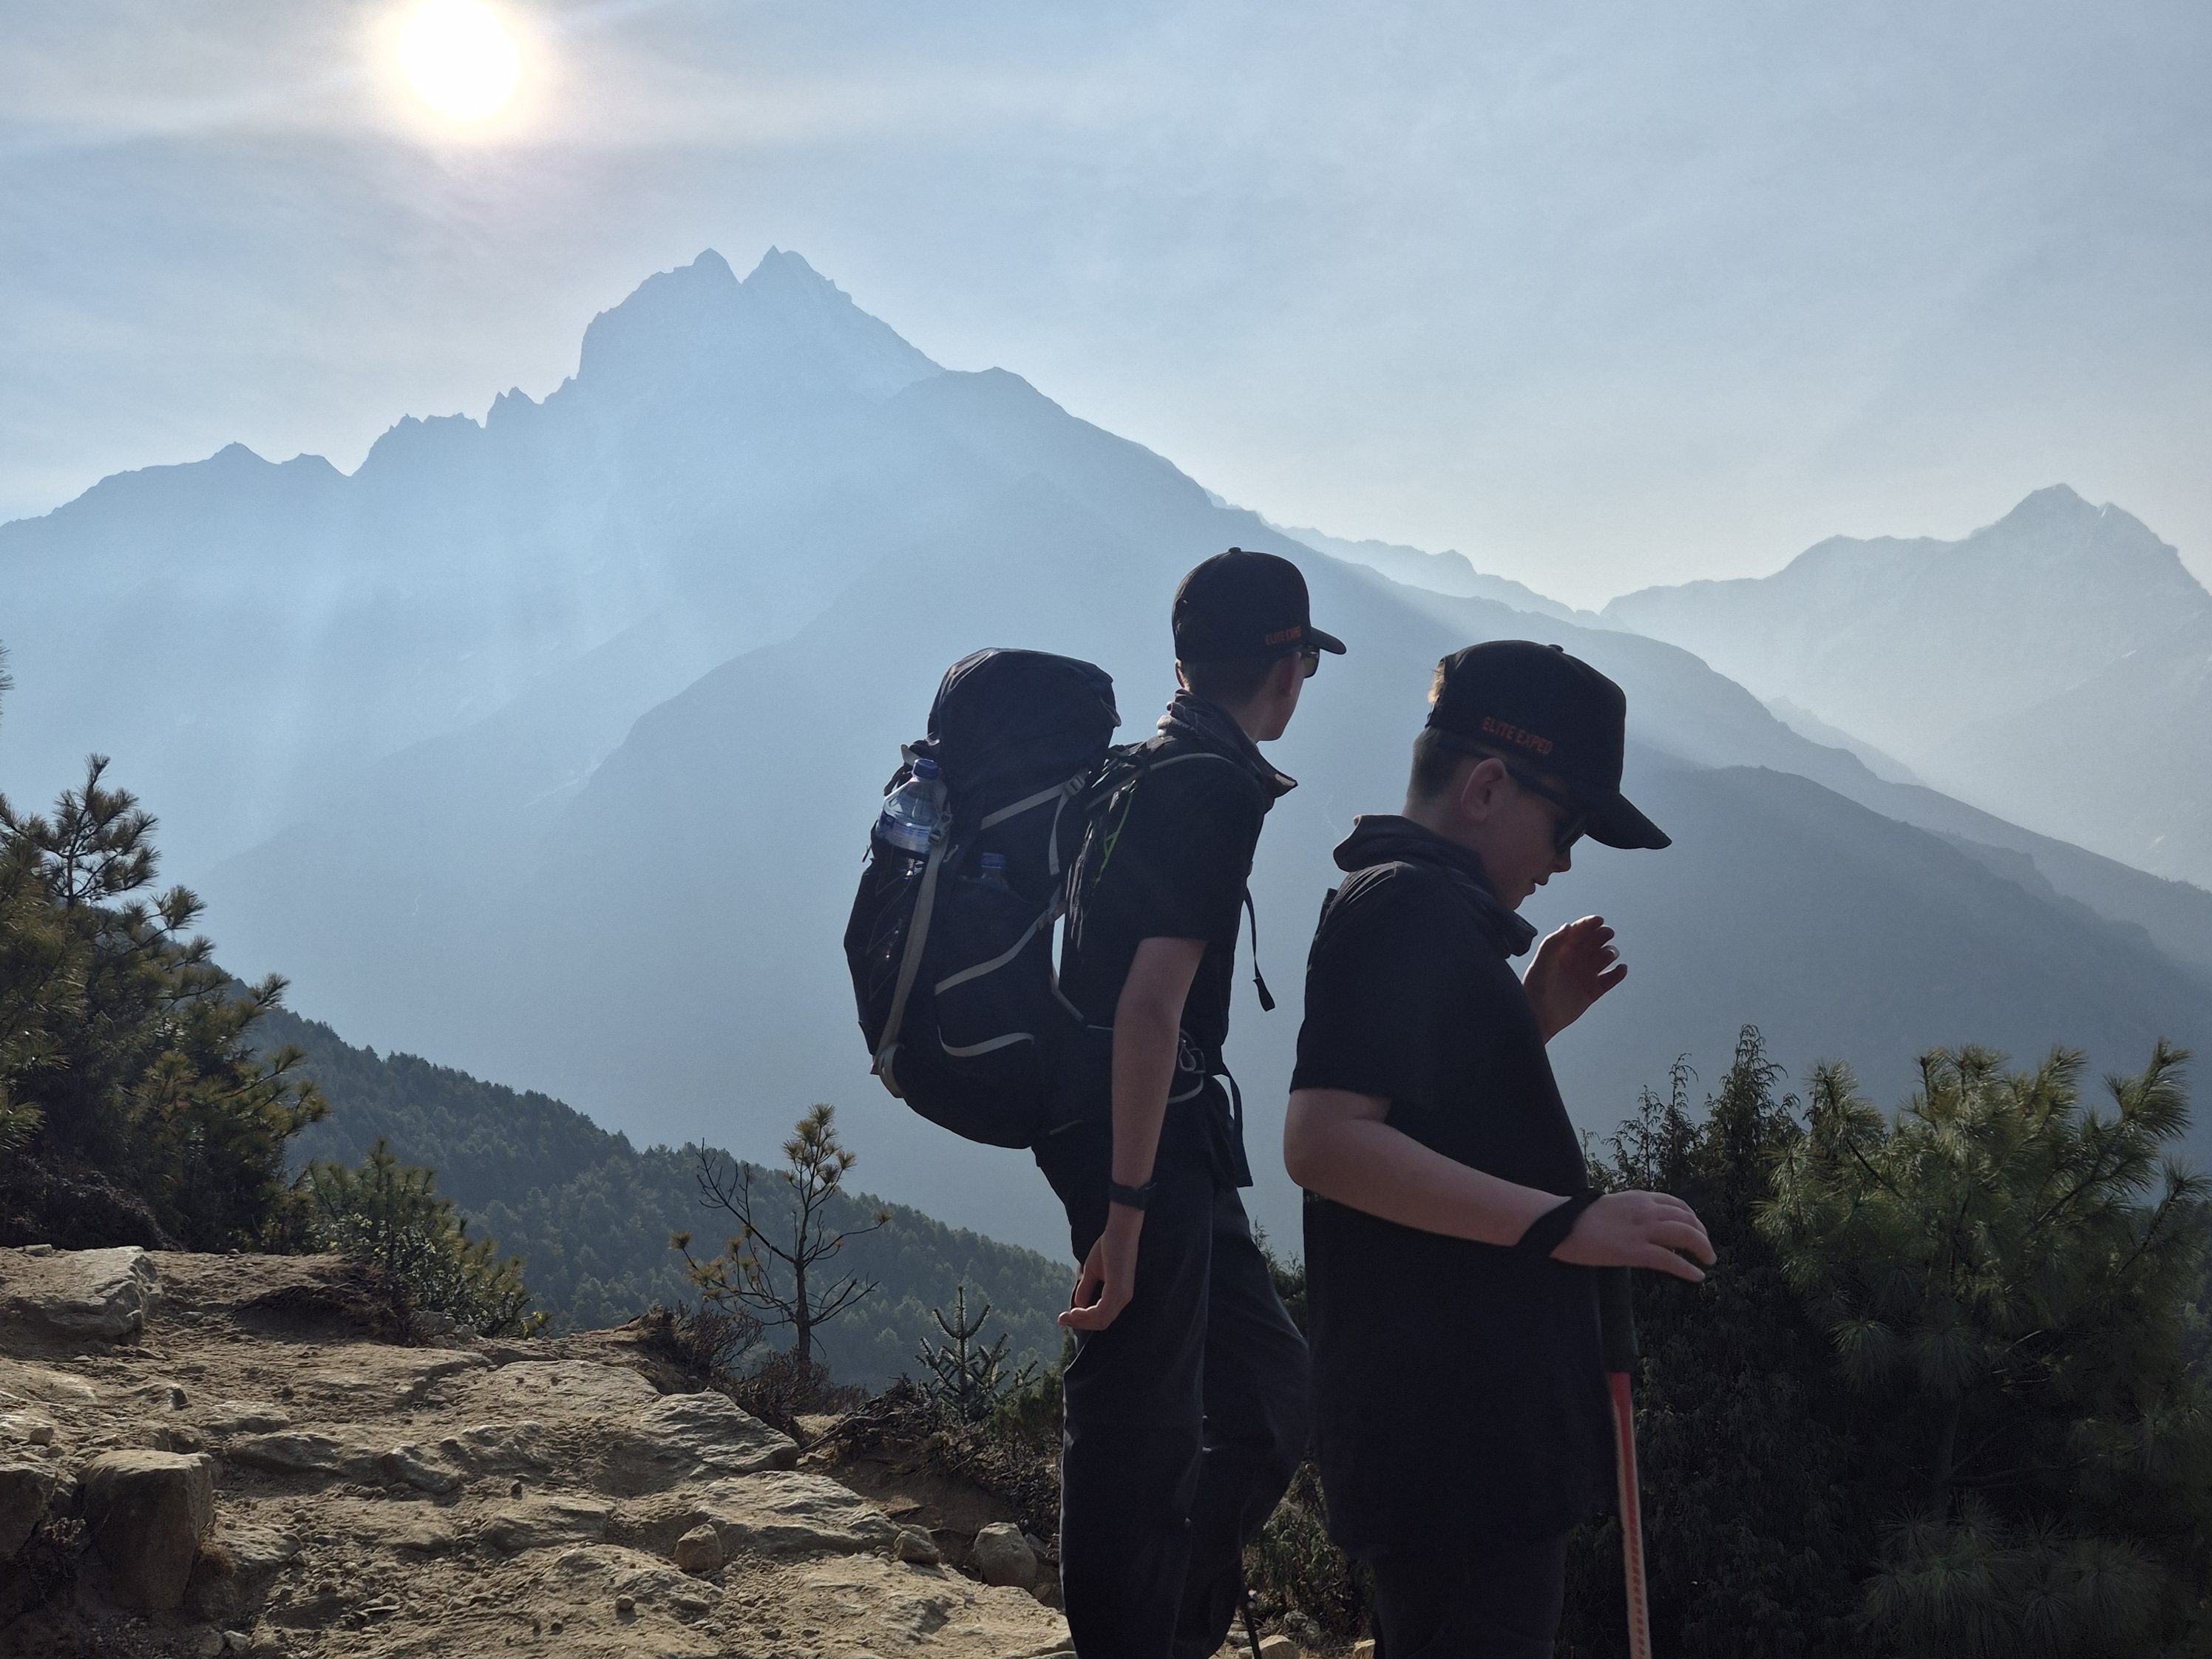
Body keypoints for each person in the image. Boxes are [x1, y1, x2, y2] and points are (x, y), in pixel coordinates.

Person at [1283, 640, 1717, 1659]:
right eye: (1564, 827)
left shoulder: (1424, 913)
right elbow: (1325, 1140)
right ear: (1487, 785)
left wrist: (1525, 1022)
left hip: (1461, 1451)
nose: (1562, 861)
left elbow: (1421, 1118)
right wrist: (1568, 1226)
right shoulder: (1406, 909)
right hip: (1459, 1455)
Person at [1036, 548, 1343, 1659]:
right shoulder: (1208, 787)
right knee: (1139, 1419)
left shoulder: (1159, 761)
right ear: (1282, 665)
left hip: (1163, 1128)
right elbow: (1148, 1005)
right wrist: (1124, 1214)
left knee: (1266, 1398)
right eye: (1305, 659)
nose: (1305, 683)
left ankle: (1166, 1624)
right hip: (1137, 1132)